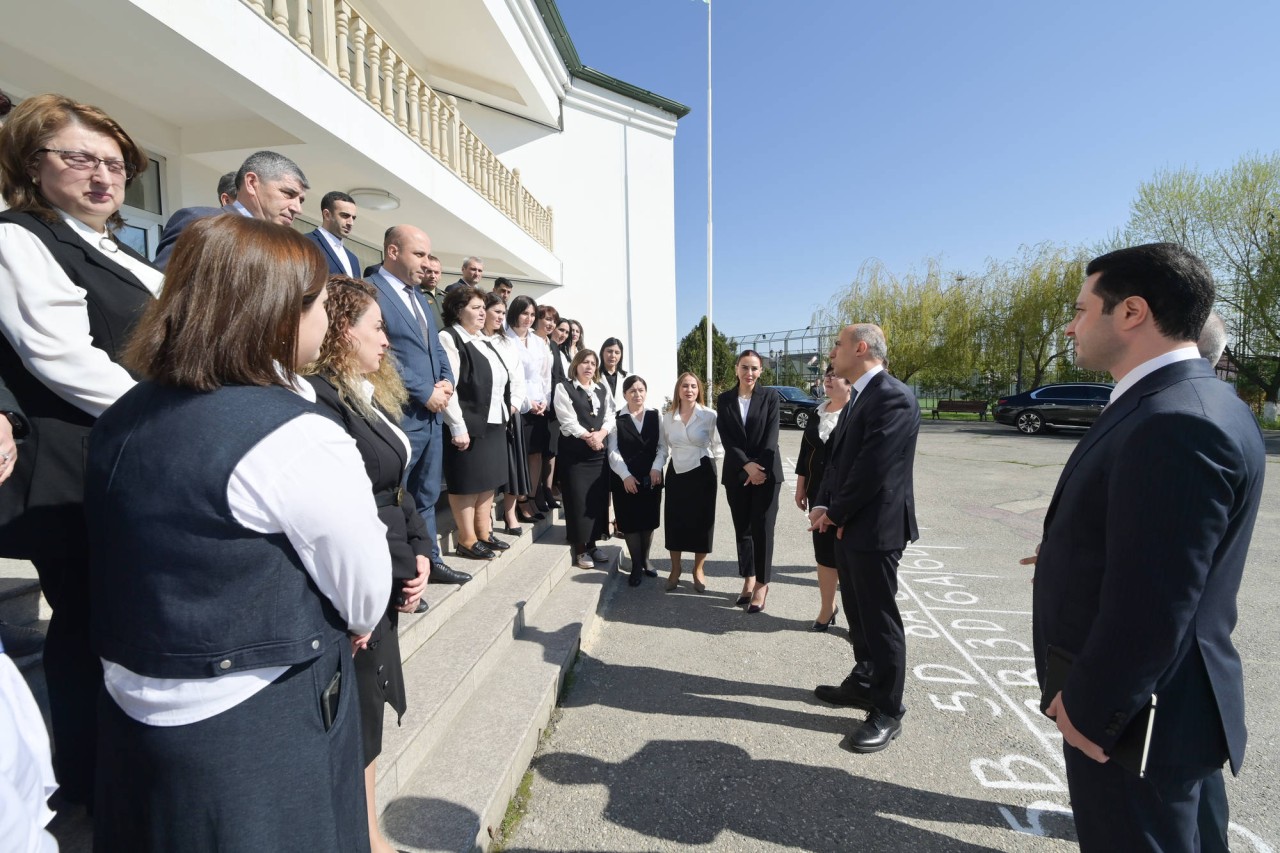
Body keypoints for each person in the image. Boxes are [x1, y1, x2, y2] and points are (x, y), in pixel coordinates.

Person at [87, 215, 389, 851]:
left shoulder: (122, 415)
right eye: (314, 304)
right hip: (258, 724)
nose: (322, 320)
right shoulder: (296, 433)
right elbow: (363, 593)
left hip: (133, 716)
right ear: (278, 312)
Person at [1025, 243, 1264, 851]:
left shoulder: (1175, 419)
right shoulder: (1198, 400)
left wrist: (1092, 714)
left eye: (1081, 309)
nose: (1071, 324)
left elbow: (1156, 603)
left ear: (1131, 312)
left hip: (1139, 720)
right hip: (1168, 707)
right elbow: (1158, 549)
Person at [0, 93, 162, 806]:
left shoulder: (114, 244)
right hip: (77, 467)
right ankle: (90, 782)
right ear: (33, 166)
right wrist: (180, 418)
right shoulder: (19, 237)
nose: (104, 176)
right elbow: (60, 357)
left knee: (117, 614)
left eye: (115, 163)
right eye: (80, 159)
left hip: (135, 451)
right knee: (87, 619)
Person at [303, 275, 430, 853]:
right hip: (358, 584)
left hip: (389, 565)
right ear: (339, 331)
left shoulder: (364, 390)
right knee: (357, 715)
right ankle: (366, 838)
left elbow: (398, 487)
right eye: (376, 328)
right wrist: (373, 588)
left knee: (369, 712)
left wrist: (423, 551)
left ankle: (368, 832)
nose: (387, 341)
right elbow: (347, 508)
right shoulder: (320, 399)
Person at [809, 324, 920, 755]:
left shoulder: (892, 395)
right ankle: (864, 680)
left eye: (837, 345)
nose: (832, 352)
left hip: (875, 529)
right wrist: (824, 504)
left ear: (860, 348)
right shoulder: (858, 394)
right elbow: (837, 460)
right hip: (849, 525)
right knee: (856, 609)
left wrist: (835, 511)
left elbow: (874, 469)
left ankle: (888, 709)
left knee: (879, 617)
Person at [367, 226, 470, 586]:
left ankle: (430, 561)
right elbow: (382, 355)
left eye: (429, 256)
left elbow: (437, 349)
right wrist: (424, 390)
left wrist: (446, 383)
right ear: (393, 252)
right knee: (397, 498)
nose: (427, 264)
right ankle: (399, 575)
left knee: (426, 495)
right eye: (419, 255)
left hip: (431, 414)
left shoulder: (420, 297)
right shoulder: (373, 294)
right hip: (400, 412)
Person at [439, 286, 512, 560]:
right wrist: (457, 426)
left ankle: (484, 532)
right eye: (475, 308)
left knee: (487, 481)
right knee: (467, 483)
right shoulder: (450, 338)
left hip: (493, 421)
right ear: (458, 310)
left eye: (484, 308)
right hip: (468, 423)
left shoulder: (482, 339)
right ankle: (466, 539)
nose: (482, 313)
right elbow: (451, 387)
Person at [154, 149, 308, 270]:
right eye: (288, 193)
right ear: (252, 183)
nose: (297, 209)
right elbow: (160, 293)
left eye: (300, 200)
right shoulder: (203, 223)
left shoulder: (286, 247)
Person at [716, 350, 783, 613]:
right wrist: (746, 466)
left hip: (767, 474)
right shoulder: (724, 400)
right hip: (737, 473)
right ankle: (748, 579)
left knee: (763, 530)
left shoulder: (770, 397)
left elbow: (771, 436)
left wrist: (758, 470)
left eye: (754, 368)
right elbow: (727, 437)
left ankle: (763, 584)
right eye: (745, 367)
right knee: (742, 529)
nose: (749, 373)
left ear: (761, 371)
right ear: (736, 369)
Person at [794, 366, 851, 631]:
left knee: (850, 557)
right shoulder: (817, 412)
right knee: (824, 554)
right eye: (827, 374)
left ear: (850, 383)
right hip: (818, 494)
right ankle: (828, 607)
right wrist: (801, 486)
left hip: (849, 495)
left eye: (834, 374)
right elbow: (806, 452)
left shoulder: (856, 412)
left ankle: (857, 618)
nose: (828, 378)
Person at [554, 349, 615, 569]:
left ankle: (593, 544)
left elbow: (610, 415)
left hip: (598, 452)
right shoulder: (564, 387)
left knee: (595, 499)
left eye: (592, 363)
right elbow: (566, 419)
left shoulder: (601, 388)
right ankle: (580, 550)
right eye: (584, 362)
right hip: (575, 454)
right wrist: (589, 436)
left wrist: (601, 434)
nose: (589, 367)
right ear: (576, 365)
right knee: (578, 499)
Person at [660, 373, 721, 592]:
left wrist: (721, 470)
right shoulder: (668, 417)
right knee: (675, 521)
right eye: (685, 385)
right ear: (678, 389)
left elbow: (718, 446)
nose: (689, 389)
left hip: (703, 471)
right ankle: (675, 569)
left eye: (693, 386)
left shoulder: (709, 415)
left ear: (699, 390)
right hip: (676, 471)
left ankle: (698, 569)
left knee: (702, 522)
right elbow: (663, 447)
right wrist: (656, 468)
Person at [482, 293, 532, 535]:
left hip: (509, 413)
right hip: (484, 416)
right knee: (488, 468)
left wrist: (512, 407)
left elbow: (518, 379)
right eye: (496, 312)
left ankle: (510, 513)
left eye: (503, 312)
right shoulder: (475, 339)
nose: (500, 317)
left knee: (513, 468)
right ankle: (486, 518)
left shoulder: (507, 343)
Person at [608, 375, 665, 586]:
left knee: (648, 522)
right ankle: (635, 566)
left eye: (641, 390)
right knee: (631, 524)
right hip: (626, 479)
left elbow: (662, 446)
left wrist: (657, 467)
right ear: (625, 394)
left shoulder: (655, 415)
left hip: (652, 477)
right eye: (632, 390)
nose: (637, 394)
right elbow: (612, 451)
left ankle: (646, 560)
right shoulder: (616, 419)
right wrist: (625, 475)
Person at [505, 295, 552, 528]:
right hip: (518, 405)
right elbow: (511, 379)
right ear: (515, 312)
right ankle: (519, 500)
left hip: (538, 406)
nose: (529, 318)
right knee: (519, 456)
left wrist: (544, 400)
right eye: (525, 313)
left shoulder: (538, 341)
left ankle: (532, 497)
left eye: (532, 314)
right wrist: (526, 401)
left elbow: (544, 376)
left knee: (536, 455)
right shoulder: (505, 338)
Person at [535, 304, 564, 511]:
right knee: (536, 452)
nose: (550, 323)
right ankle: (534, 492)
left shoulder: (552, 345)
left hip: (553, 404)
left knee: (551, 451)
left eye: (553, 320)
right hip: (536, 405)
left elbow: (559, 376)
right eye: (547, 319)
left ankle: (547, 489)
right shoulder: (529, 341)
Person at [307, 190, 360, 276]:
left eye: (353, 218)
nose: (350, 222)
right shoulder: (305, 244)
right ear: (327, 215)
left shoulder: (353, 259)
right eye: (345, 216)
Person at [599, 337, 629, 409]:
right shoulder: (593, 377)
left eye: (617, 352)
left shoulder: (628, 377)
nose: (613, 355)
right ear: (602, 352)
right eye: (609, 351)